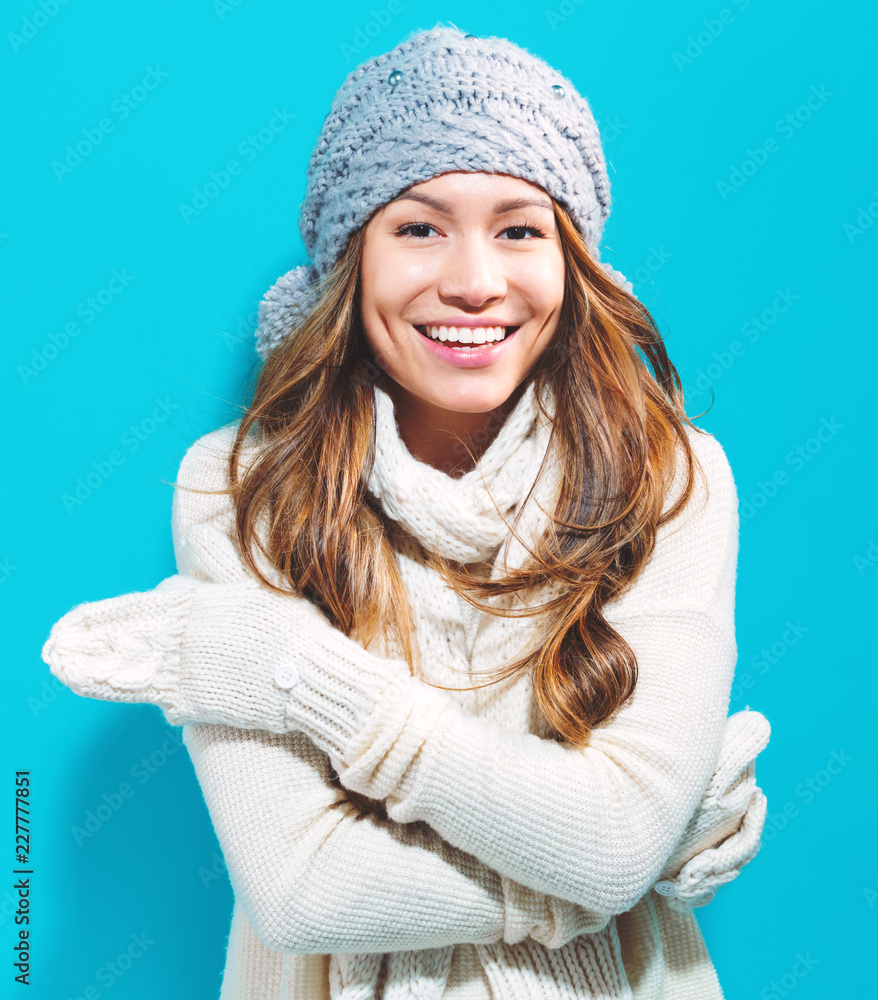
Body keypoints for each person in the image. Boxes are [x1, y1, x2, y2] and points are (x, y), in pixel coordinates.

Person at [41, 23, 771, 1000]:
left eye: (518, 227)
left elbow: (609, 844)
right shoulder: (236, 490)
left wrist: (293, 675)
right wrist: (593, 873)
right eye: (418, 225)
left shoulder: (669, 478)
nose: (473, 280)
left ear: (574, 262)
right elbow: (304, 893)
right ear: (349, 258)